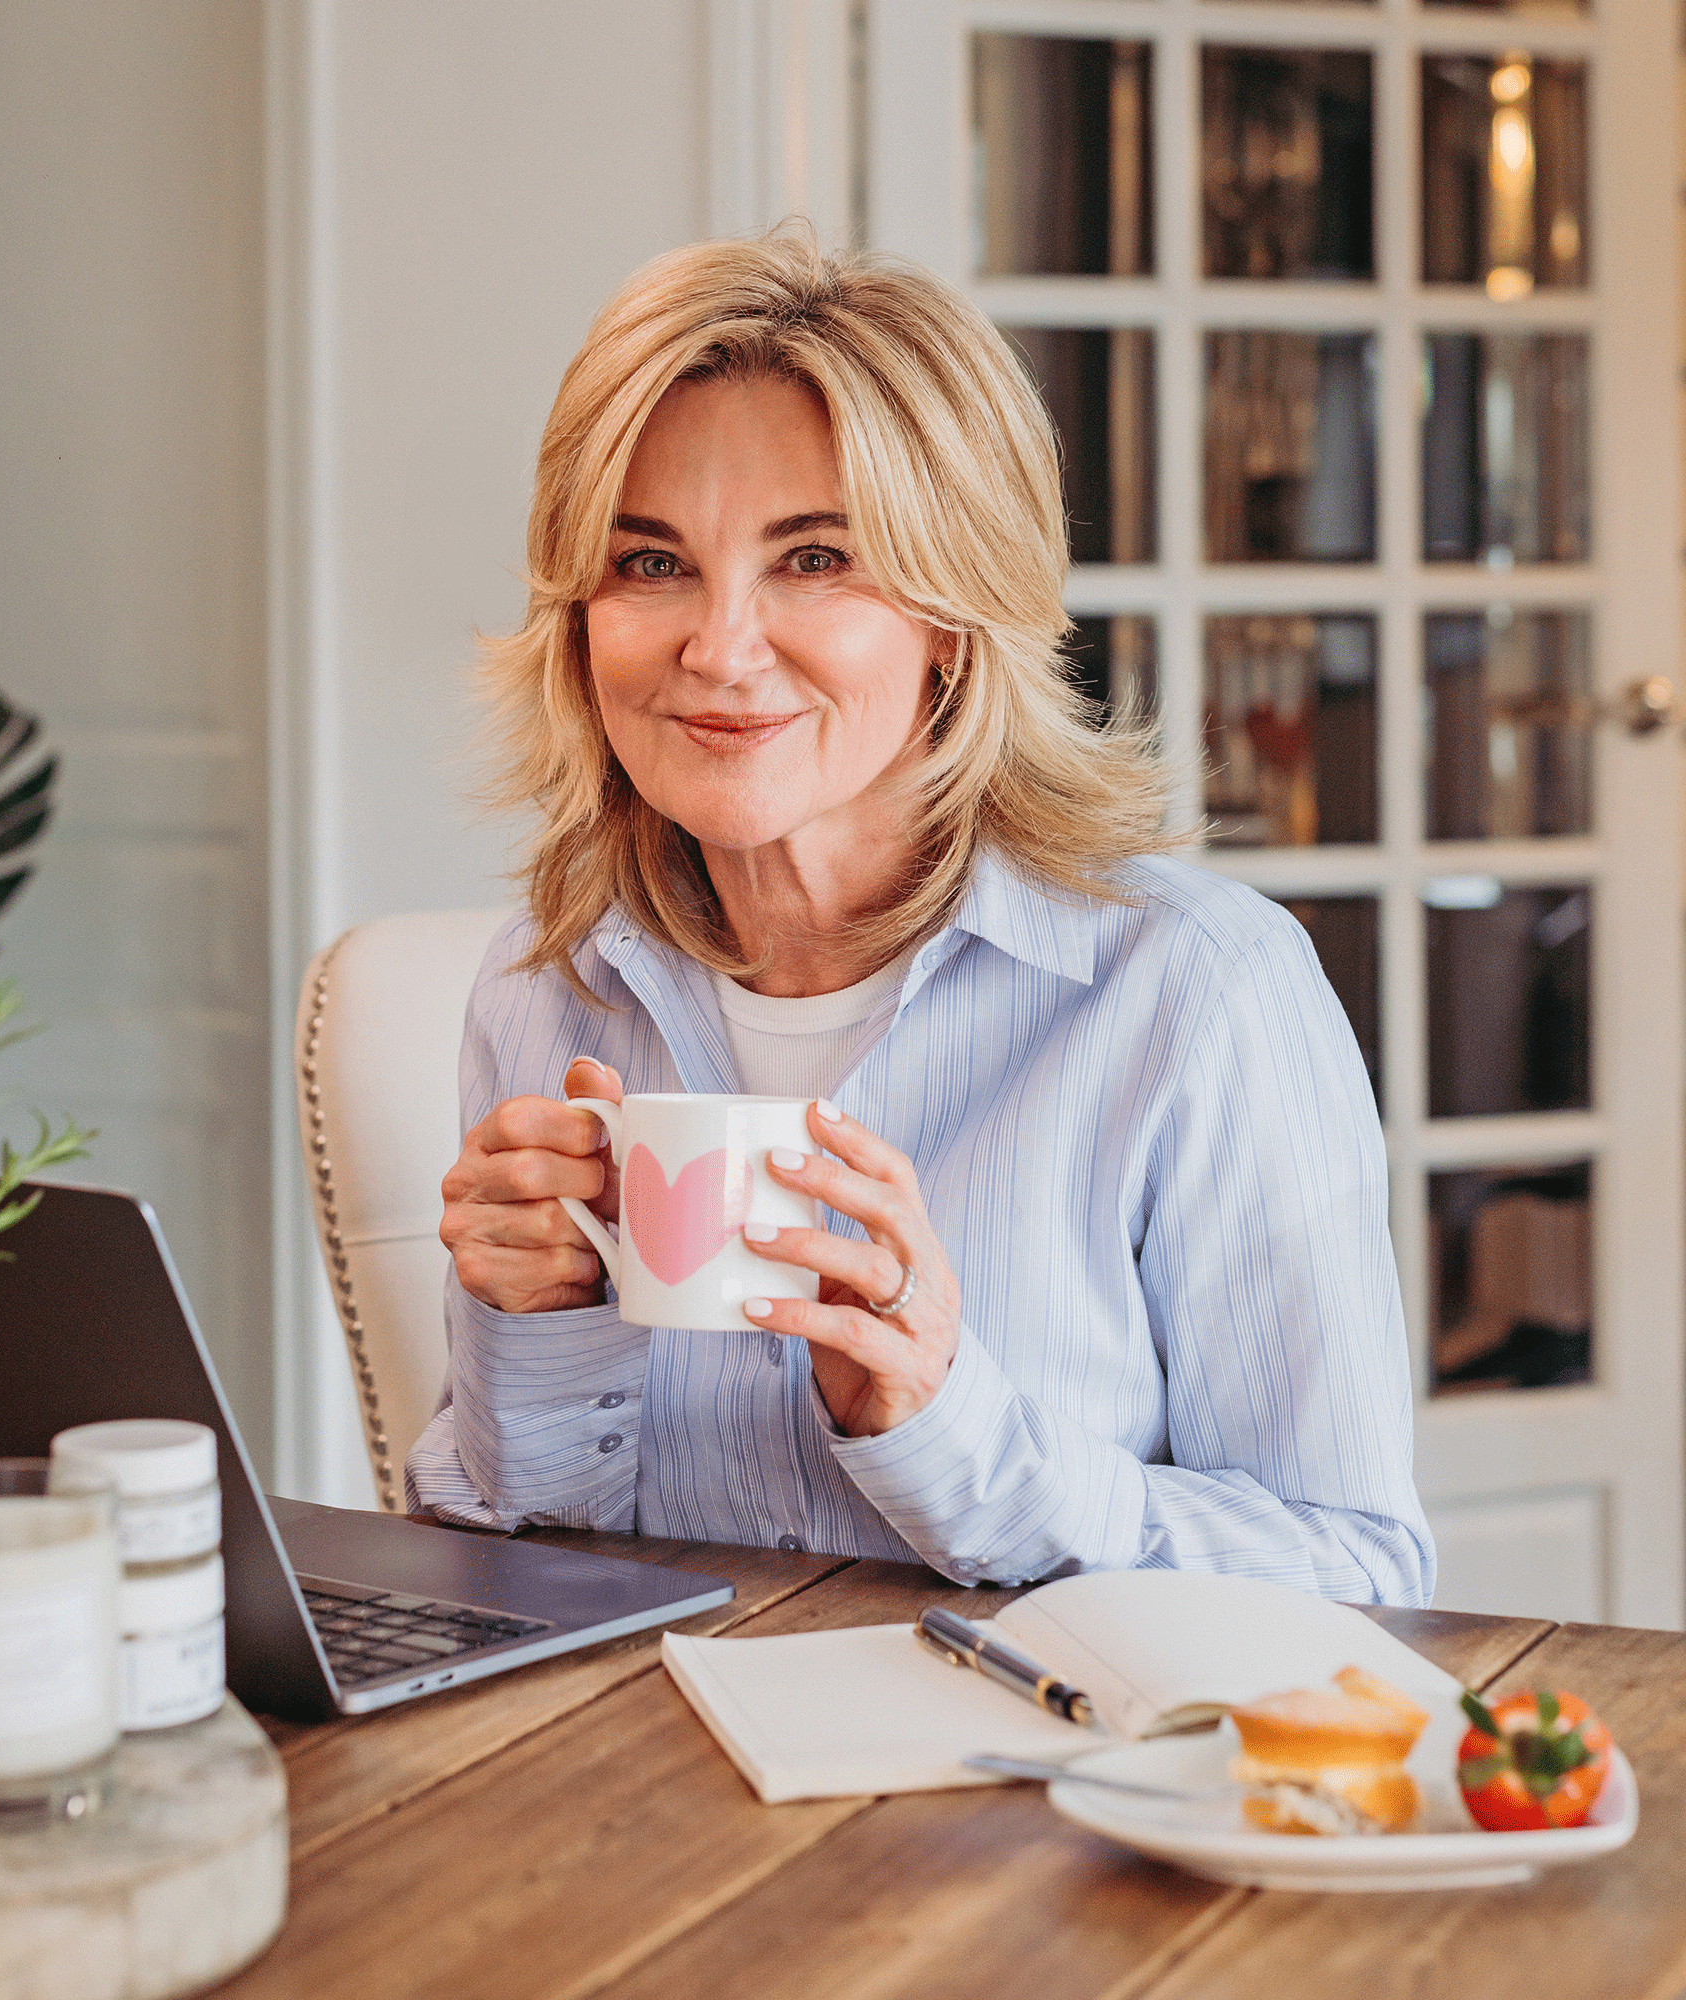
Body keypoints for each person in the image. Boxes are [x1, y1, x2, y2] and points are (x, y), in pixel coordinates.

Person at [405, 227, 1435, 1607]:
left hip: (1036, 1795)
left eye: (815, 559)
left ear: (956, 614)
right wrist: (531, 1339)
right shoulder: (547, 993)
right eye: (651, 565)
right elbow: (507, 1566)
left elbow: (1363, 1575)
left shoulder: (1198, 993)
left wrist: (948, 1422)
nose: (719, 647)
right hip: (641, 1793)